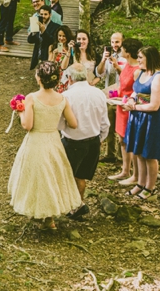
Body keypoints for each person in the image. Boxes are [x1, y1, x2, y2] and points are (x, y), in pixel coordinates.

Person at [8, 61, 82, 231]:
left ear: (39, 78)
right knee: (52, 176)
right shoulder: (62, 99)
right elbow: (73, 123)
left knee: (37, 177)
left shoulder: (32, 98)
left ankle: (38, 211)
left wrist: (20, 112)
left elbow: (27, 125)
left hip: (36, 141)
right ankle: (49, 218)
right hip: (53, 140)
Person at [58, 64, 110, 220]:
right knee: (80, 177)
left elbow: (61, 123)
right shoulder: (99, 94)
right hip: (93, 141)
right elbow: (105, 123)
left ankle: (71, 205)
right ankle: (77, 205)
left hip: (73, 142)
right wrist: (99, 139)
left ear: (69, 78)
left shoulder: (67, 96)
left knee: (68, 176)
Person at [121, 46, 160, 200]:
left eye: (141, 57)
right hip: (137, 117)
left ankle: (150, 187)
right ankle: (140, 184)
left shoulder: (158, 77)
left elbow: (154, 105)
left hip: (151, 120)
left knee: (150, 155)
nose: (139, 60)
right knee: (138, 152)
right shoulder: (141, 72)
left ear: (150, 58)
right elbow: (136, 91)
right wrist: (131, 99)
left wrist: (134, 107)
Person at [108, 38, 143, 185]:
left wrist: (126, 100)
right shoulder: (127, 65)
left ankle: (136, 175)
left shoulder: (138, 70)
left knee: (130, 141)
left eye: (122, 48)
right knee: (122, 139)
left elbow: (138, 93)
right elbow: (123, 83)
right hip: (120, 105)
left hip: (130, 109)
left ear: (128, 52)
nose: (120, 50)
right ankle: (125, 170)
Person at [95, 32, 126, 163]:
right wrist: (103, 60)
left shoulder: (125, 57)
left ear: (122, 42)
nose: (114, 45)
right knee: (108, 124)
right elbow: (99, 73)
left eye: (117, 42)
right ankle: (110, 153)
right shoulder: (108, 56)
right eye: (112, 42)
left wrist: (116, 66)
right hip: (109, 95)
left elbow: (127, 76)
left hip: (122, 96)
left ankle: (121, 155)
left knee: (120, 126)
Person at [28, 5, 60, 70]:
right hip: (37, 56)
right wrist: (33, 32)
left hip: (48, 56)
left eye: (45, 14)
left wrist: (43, 31)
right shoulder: (37, 25)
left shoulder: (56, 27)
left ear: (50, 15)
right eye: (41, 14)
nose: (43, 16)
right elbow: (30, 40)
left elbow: (52, 41)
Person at [49, 25, 73, 92]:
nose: (61, 38)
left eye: (64, 36)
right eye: (59, 35)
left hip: (67, 77)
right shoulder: (52, 47)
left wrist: (68, 51)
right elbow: (49, 66)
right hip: (55, 76)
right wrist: (54, 55)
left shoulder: (71, 49)